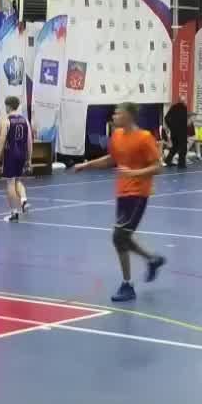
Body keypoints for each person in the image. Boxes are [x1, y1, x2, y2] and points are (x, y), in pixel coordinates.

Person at [72, 102, 168, 303]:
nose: (114, 117)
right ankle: (152, 259)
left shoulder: (144, 138)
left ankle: (127, 285)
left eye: (118, 113)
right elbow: (112, 159)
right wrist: (87, 165)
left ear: (129, 116)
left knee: (119, 237)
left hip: (138, 194)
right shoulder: (116, 136)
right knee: (123, 237)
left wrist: (134, 173)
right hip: (122, 193)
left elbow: (158, 167)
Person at [0, 95, 31, 221]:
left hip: (11, 154)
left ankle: (14, 212)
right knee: (18, 180)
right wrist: (29, 158)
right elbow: (29, 141)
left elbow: (1, 141)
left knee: (10, 183)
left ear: (8, 106)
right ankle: (24, 200)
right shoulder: (25, 120)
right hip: (22, 154)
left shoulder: (6, 121)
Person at [165, 100, 191, 168]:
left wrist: (171, 126)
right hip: (182, 132)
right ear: (183, 102)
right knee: (183, 148)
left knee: (175, 147)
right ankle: (181, 164)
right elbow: (184, 122)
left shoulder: (173, 107)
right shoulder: (184, 108)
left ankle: (168, 160)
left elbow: (166, 118)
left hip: (174, 132)